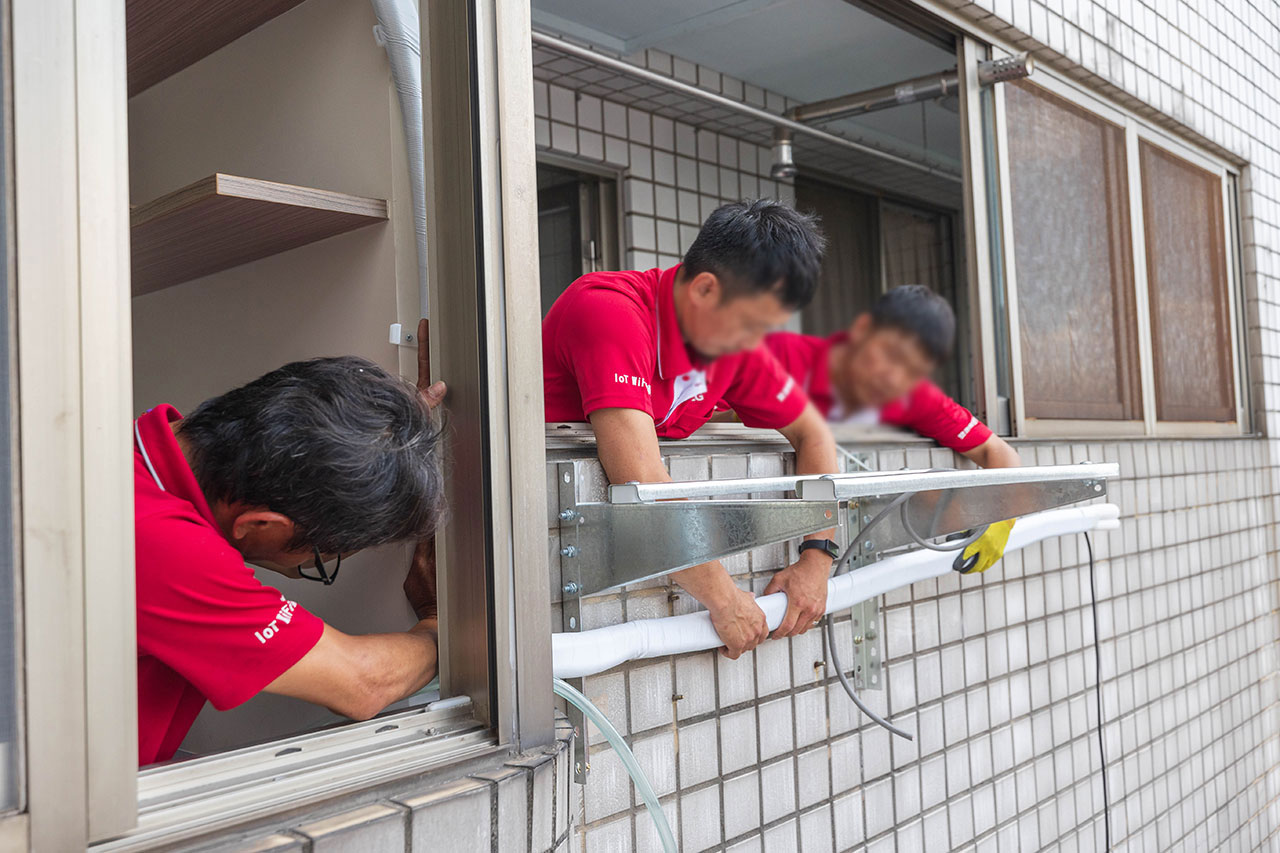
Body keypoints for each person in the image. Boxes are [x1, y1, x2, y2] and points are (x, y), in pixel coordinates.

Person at [543, 199, 841, 660]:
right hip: (532, 557)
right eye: (753, 323)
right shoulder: (609, 311)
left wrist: (817, 558)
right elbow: (642, 484)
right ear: (704, 289)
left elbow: (813, 432)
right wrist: (725, 600)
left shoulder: (732, 343)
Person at [134, 332, 447, 766]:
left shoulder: (137, 455)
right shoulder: (163, 545)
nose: (321, 561)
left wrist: (391, 435)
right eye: (323, 554)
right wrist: (440, 626)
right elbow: (361, 683)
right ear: (259, 525)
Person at [766, 284, 1021, 574]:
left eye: (912, 369)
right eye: (890, 354)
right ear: (863, 329)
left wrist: (1002, 518)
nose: (893, 376)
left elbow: (996, 450)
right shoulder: (780, 354)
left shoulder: (912, 395)